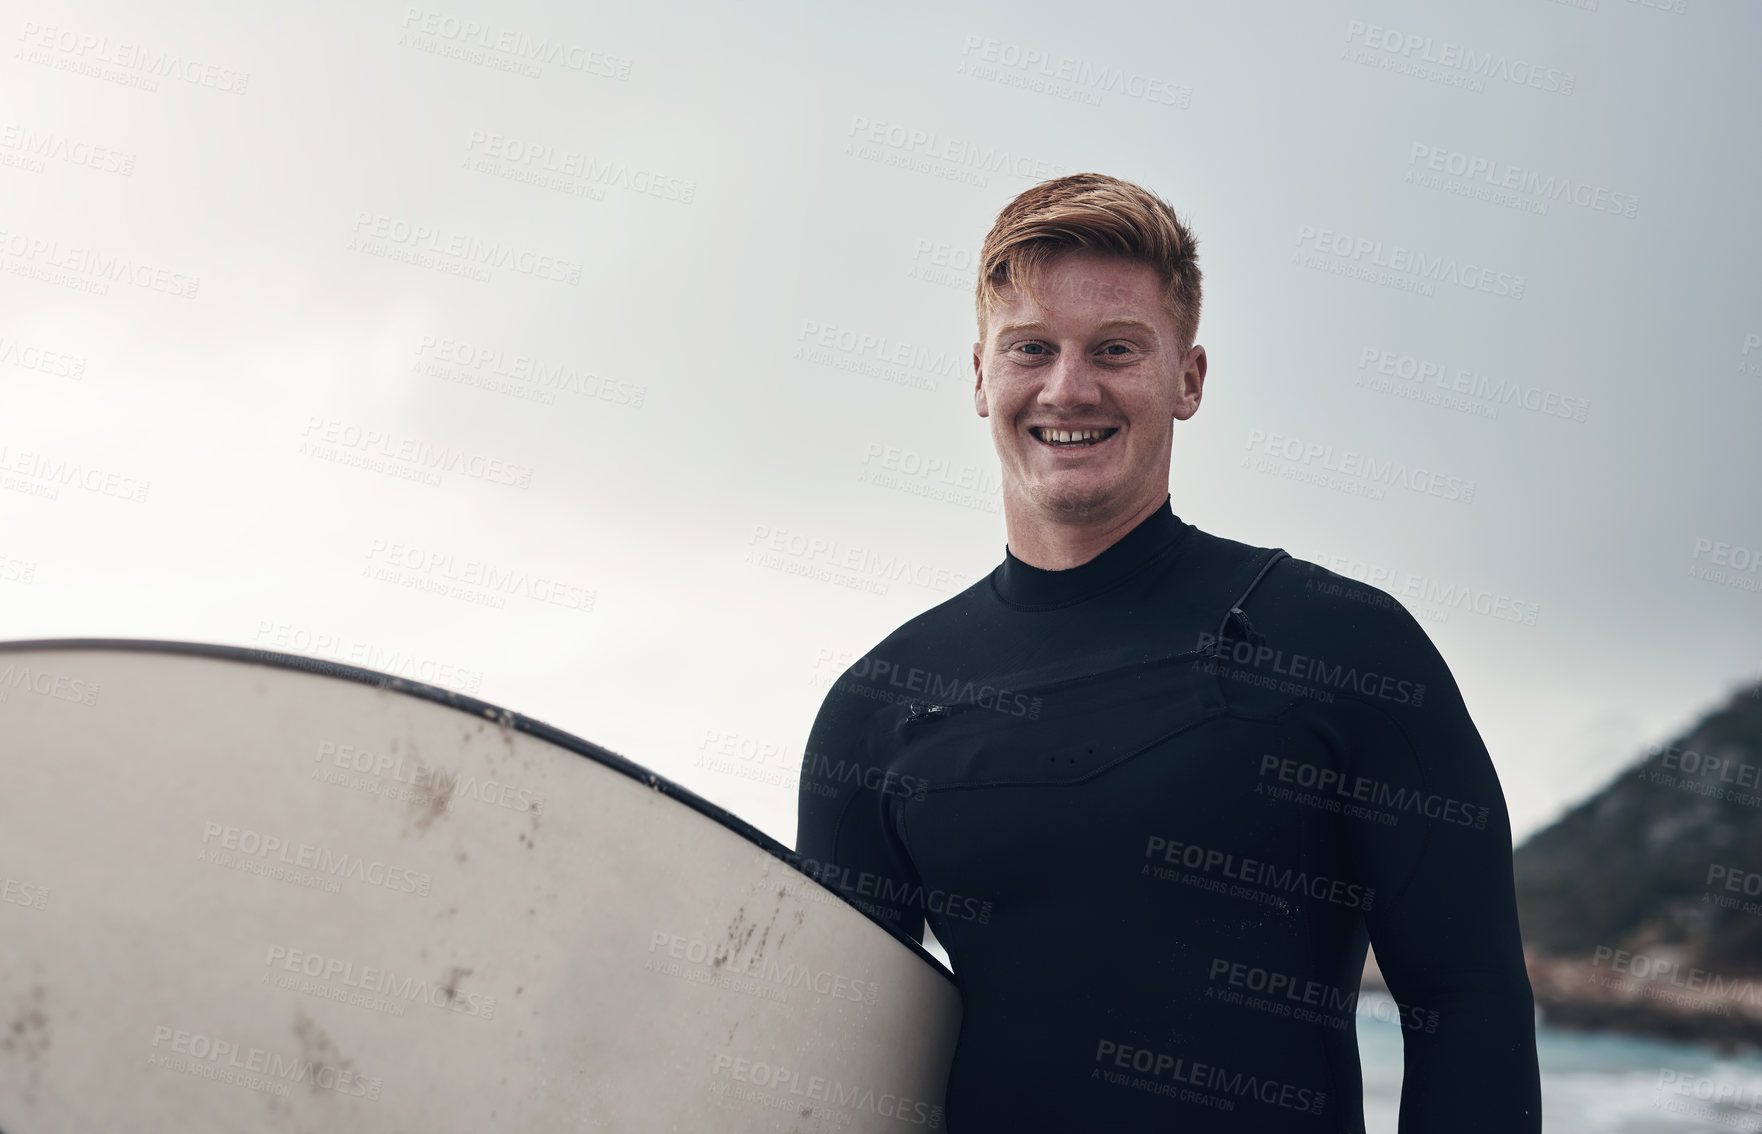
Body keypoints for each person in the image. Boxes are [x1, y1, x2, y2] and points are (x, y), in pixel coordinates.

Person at [795, 173, 1541, 1132]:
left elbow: (1471, 1004)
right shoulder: (881, 705)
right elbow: (828, 1061)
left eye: (1116, 349)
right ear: (980, 375)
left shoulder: (1346, 644)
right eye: (1032, 349)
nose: (1069, 388)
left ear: (1187, 379)